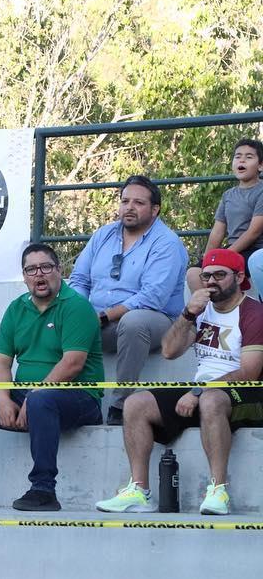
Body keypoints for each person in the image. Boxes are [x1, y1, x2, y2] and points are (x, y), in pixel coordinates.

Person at [0, 243, 104, 512]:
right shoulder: (17, 308)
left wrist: (33, 396)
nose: (39, 275)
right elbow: (1, 360)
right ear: (24, 276)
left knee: (41, 401)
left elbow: (72, 363)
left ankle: (43, 489)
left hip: (80, 399)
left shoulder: (77, 306)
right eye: (31, 269)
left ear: (59, 270)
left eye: (46, 267)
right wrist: (3, 398)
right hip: (31, 396)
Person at [96, 249, 263, 516]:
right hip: (205, 391)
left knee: (211, 399)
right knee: (136, 403)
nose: (212, 282)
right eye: (207, 276)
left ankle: (218, 490)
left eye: (220, 275)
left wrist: (198, 392)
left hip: (249, 396)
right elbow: (169, 351)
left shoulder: (253, 312)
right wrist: (187, 314)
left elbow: (249, 373)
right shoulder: (202, 309)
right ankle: (139, 491)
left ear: (239, 276)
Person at [67, 175, 188, 424]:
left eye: (138, 203)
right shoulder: (103, 235)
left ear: (155, 209)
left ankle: (120, 405)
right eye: (125, 201)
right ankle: (61, 399)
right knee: (53, 317)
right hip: (99, 321)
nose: (129, 208)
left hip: (156, 321)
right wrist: (80, 313)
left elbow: (151, 297)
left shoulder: (167, 243)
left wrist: (102, 316)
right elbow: (79, 280)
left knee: (133, 322)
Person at [188, 139, 263, 295]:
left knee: (223, 269)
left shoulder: (261, 191)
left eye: (249, 157)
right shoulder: (228, 195)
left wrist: (225, 255)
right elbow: (217, 232)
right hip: (233, 248)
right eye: (237, 156)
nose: (242, 160)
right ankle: (204, 314)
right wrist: (208, 257)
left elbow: (253, 232)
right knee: (194, 273)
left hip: (255, 250)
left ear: (260, 166)